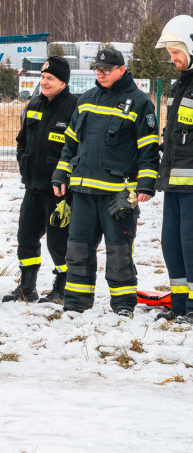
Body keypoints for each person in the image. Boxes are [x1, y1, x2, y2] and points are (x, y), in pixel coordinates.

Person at [51, 47, 159, 317]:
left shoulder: (139, 102)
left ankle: (123, 305)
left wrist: (145, 184)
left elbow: (148, 148)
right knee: (77, 250)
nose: (101, 75)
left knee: (119, 252)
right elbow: (70, 143)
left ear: (122, 70)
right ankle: (76, 303)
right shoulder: (86, 99)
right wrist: (61, 174)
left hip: (118, 195)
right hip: (83, 192)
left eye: (107, 70)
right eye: (98, 71)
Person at [3, 56, 77, 304]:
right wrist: (23, 163)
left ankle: (63, 288)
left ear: (63, 82)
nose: (44, 82)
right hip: (33, 187)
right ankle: (27, 286)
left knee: (58, 242)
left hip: (60, 191)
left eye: (50, 78)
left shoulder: (75, 108)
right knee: (25, 238)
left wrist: (67, 177)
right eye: (43, 77)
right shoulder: (33, 104)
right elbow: (21, 141)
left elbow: (79, 149)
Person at [154, 14, 193, 323]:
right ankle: (179, 305)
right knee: (172, 244)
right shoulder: (181, 84)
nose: (173, 59)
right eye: (170, 53)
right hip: (174, 181)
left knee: (191, 245)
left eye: (176, 52)